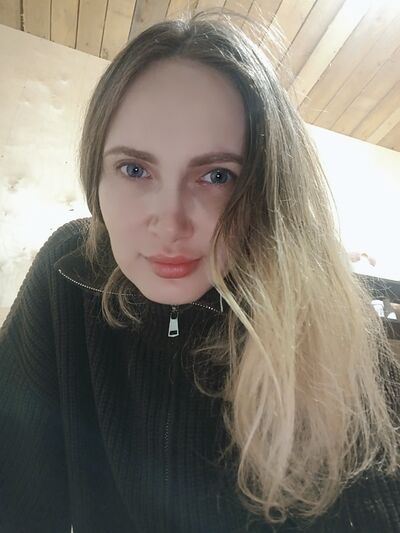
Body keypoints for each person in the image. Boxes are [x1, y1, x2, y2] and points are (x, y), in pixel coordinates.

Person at [1, 8, 400, 533]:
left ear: (267, 188)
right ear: (96, 175)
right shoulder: (69, 269)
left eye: (216, 176)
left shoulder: (334, 323)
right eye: (134, 169)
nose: (170, 224)